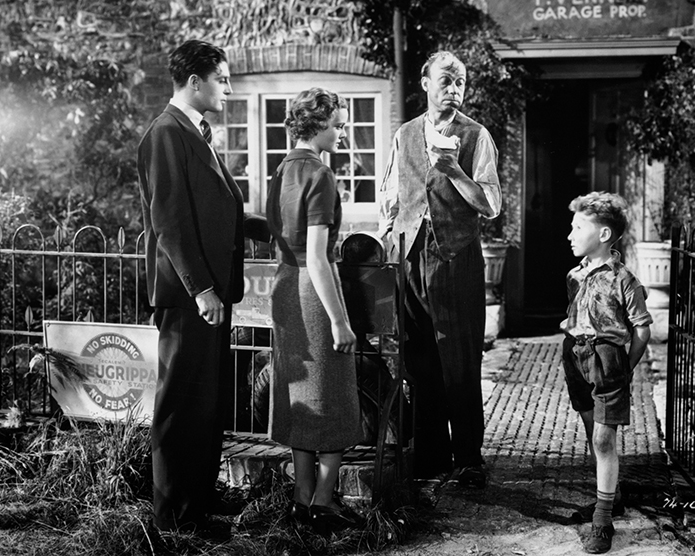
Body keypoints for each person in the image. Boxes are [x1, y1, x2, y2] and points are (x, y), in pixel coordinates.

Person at [379, 51, 501, 488]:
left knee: (460, 360)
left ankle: (468, 458)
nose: (454, 89)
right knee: (419, 359)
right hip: (410, 254)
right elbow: (390, 196)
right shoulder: (405, 134)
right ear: (426, 83)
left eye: (460, 82)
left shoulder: (476, 135)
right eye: (446, 80)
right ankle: (431, 455)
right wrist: (390, 239)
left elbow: (490, 204)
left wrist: (454, 172)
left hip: (455, 255)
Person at [137, 40, 243, 534]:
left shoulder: (196, 131)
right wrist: (201, 290)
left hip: (210, 294)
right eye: (222, 79)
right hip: (188, 297)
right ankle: (175, 517)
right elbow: (170, 221)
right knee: (180, 405)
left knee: (206, 402)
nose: (228, 88)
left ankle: (198, 500)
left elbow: (214, 206)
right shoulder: (166, 133)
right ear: (195, 82)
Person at [266, 88, 362, 535]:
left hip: (285, 287)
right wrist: (340, 321)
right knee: (332, 394)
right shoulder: (320, 174)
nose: (342, 133)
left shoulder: (282, 169)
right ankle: (324, 501)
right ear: (318, 125)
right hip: (313, 291)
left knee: (303, 396)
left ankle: (302, 499)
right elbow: (319, 258)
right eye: (338, 125)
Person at [560, 192, 652, 554]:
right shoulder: (574, 275)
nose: (570, 235)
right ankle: (610, 499)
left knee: (603, 439)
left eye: (577, 228)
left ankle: (602, 521)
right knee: (591, 430)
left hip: (607, 358)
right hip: (575, 355)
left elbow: (641, 328)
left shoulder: (624, 279)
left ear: (603, 234)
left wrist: (625, 368)